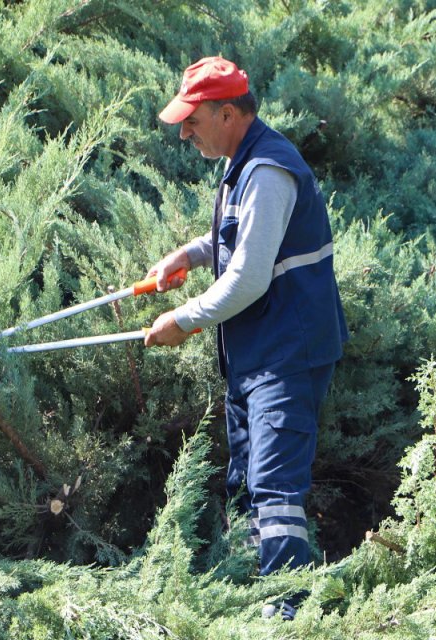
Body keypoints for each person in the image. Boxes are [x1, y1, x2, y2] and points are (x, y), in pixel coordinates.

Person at [143, 56, 349, 620]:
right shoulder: (243, 160)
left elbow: (250, 276)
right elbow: (241, 241)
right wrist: (189, 253)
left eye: (193, 120)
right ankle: (251, 602)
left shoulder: (268, 170)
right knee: (244, 483)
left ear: (228, 113)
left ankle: (287, 618)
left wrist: (183, 321)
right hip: (257, 356)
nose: (185, 131)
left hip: (288, 355)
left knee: (274, 489)